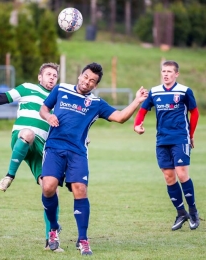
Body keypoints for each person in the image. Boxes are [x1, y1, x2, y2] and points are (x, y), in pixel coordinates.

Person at [39, 62, 148, 255]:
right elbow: (44, 109)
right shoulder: (61, 89)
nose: (87, 82)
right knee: (48, 186)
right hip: (54, 148)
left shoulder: (96, 104)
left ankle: (82, 239)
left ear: (95, 85)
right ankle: (54, 229)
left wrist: (137, 101)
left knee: (80, 190)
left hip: (77, 152)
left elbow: (121, 117)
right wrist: (48, 117)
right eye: (86, 77)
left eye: (92, 81)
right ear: (80, 75)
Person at [0, 63, 64, 252]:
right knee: (27, 133)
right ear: (40, 77)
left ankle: (51, 239)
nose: (52, 78)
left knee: (51, 189)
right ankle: (9, 176)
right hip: (21, 139)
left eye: (55, 75)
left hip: (42, 148)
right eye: (48, 74)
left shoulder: (59, 98)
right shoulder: (27, 88)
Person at [134, 60, 200, 231]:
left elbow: (195, 112)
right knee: (169, 177)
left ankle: (193, 212)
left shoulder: (185, 91)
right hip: (162, 140)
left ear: (176, 74)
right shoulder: (154, 92)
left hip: (180, 138)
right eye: (164, 71)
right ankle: (181, 213)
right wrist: (137, 124)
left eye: (170, 71)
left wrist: (190, 135)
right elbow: (143, 110)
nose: (166, 74)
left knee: (181, 173)